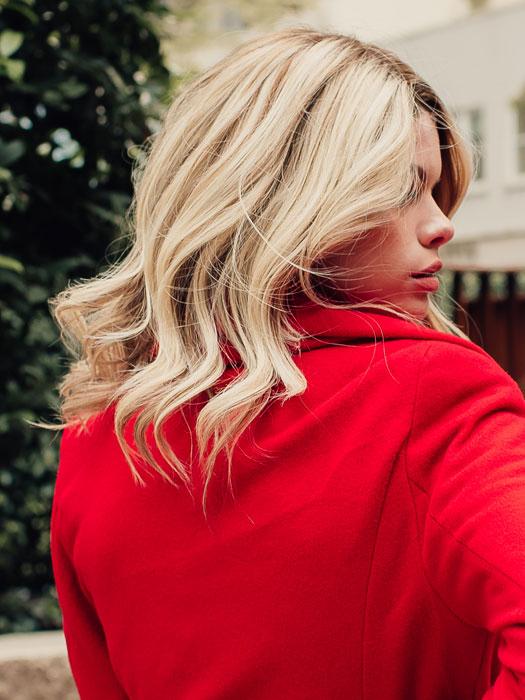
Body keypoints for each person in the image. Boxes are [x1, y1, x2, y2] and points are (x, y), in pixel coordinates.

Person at [42, 26, 525, 699]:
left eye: (435, 192)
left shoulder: (101, 435)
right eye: (403, 189)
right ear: (293, 201)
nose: (440, 223)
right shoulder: (431, 393)